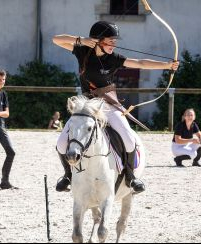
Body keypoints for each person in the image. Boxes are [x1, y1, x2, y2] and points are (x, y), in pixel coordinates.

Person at [52, 20, 179, 193]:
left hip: (107, 104)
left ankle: (130, 176)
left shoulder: (114, 59)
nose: (114, 44)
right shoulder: (83, 51)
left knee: (129, 138)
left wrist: (167, 66)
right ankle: (68, 175)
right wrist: (80, 40)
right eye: (110, 41)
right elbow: (56, 39)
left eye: (115, 41)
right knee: (61, 143)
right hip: (86, 106)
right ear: (97, 40)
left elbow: (140, 63)